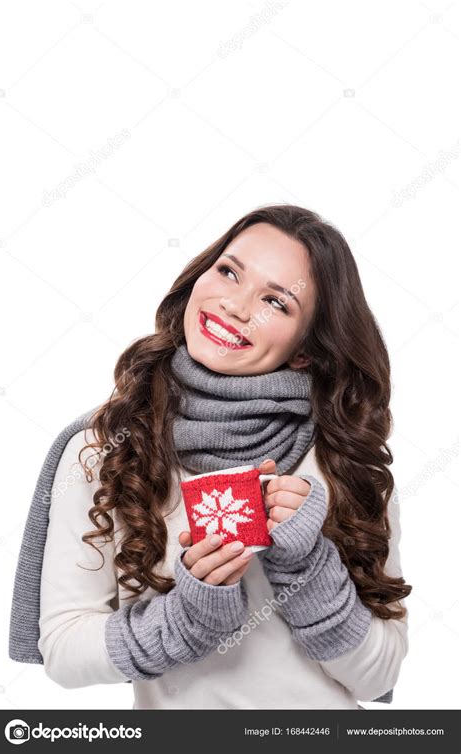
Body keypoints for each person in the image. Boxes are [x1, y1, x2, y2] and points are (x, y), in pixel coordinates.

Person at [36, 204, 411, 709]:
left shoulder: (343, 459)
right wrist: (189, 617)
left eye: (276, 302)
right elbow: (62, 651)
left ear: (305, 351)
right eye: (229, 271)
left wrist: (308, 567)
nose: (236, 306)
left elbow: (377, 678)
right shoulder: (105, 447)